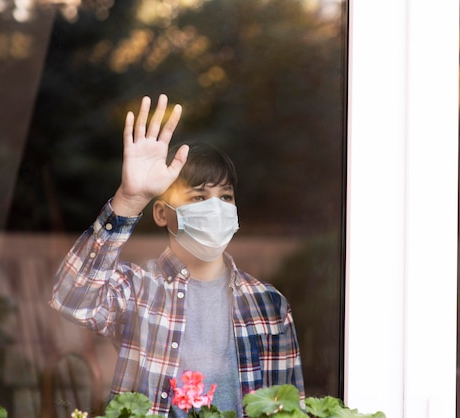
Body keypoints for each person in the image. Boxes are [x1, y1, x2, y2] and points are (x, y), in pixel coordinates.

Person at [50, 94, 304, 417]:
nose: (215, 208)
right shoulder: (137, 289)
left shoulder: (269, 306)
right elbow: (71, 297)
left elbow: (290, 411)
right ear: (161, 214)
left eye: (225, 197)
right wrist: (129, 199)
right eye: (199, 196)